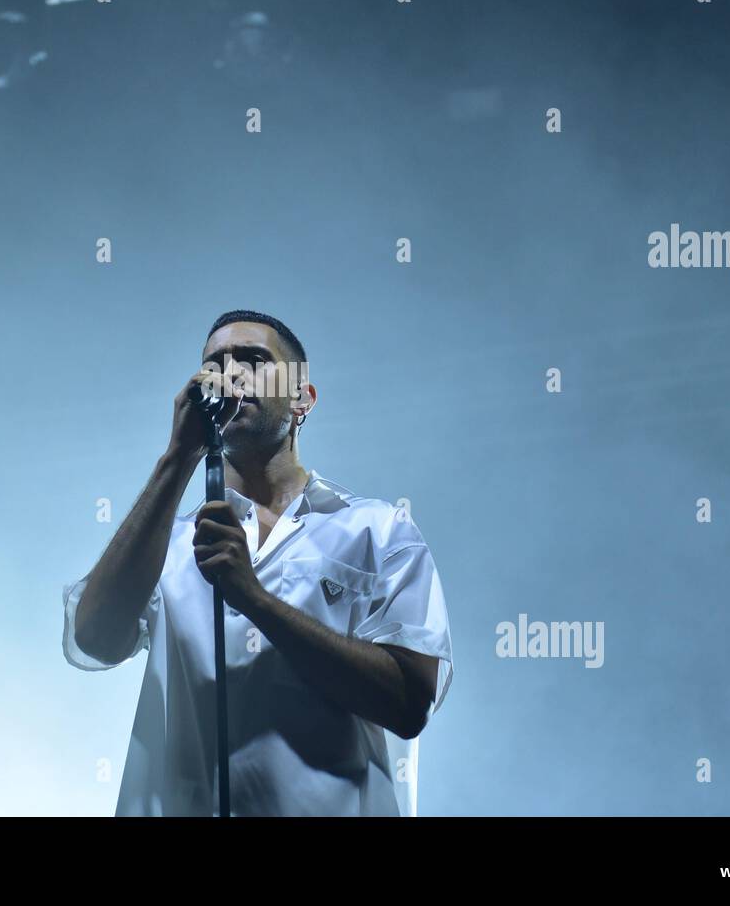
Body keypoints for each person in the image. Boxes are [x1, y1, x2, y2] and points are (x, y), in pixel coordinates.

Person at [62, 310, 453, 815]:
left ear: (301, 399)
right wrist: (178, 457)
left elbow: (408, 701)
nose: (229, 373)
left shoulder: (379, 530)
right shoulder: (170, 542)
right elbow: (94, 637)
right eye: (215, 364)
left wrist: (256, 600)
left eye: (253, 359)